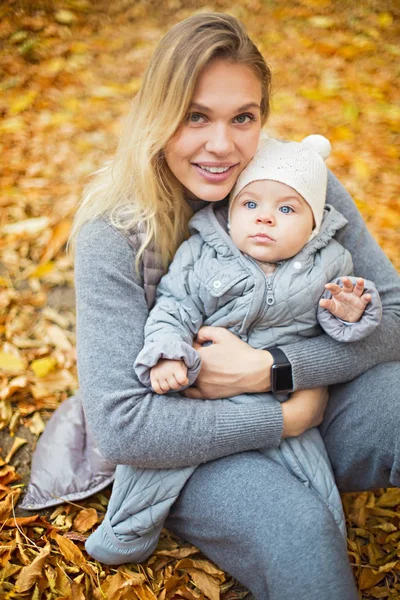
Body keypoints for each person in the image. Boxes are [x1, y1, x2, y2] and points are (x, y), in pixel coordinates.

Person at [21, 12, 400, 600]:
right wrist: (281, 418)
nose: (221, 145)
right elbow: (123, 428)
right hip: (188, 448)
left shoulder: (296, 187)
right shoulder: (114, 233)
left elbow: (394, 317)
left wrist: (274, 368)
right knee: (300, 530)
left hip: (318, 407)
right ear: (157, 115)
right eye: (195, 116)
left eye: (242, 118)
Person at [83, 134, 383, 566]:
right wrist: (168, 353)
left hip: (283, 397)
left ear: (315, 225)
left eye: (286, 209)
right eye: (250, 205)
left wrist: (351, 314)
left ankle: (328, 546)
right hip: (200, 397)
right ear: (230, 211)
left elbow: (342, 324)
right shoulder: (203, 254)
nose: (265, 218)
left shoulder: (331, 263)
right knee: (152, 471)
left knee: (314, 488)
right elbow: (174, 307)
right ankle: (125, 534)